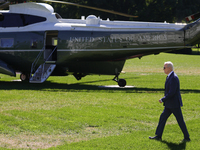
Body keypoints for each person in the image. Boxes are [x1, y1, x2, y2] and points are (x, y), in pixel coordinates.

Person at [149, 61, 190, 142]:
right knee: (162, 118)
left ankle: (187, 138)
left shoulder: (174, 78)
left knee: (180, 121)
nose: (163, 69)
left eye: (164, 67)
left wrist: (163, 99)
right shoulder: (169, 77)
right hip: (169, 104)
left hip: (174, 104)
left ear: (169, 68)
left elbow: (172, 92)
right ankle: (158, 136)